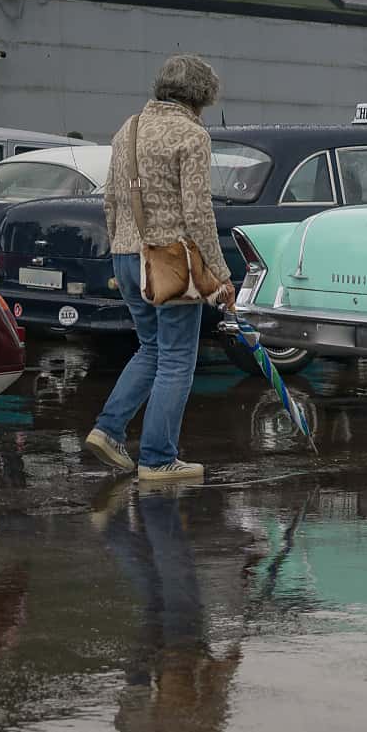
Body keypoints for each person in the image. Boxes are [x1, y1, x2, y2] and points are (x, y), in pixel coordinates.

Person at [83, 55, 235, 481]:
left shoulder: (126, 130)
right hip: (169, 261)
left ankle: (109, 429)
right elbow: (199, 213)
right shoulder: (192, 135)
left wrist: (122, 249)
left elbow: (111, 201)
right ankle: (157, 458)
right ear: (202, 97)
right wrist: (220, 274)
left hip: (127, 256)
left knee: (150, 348)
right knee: (176, 360)